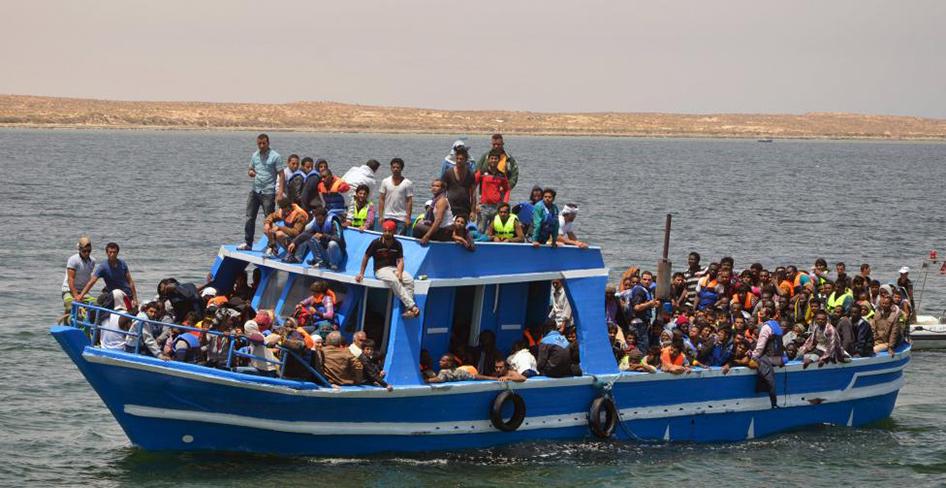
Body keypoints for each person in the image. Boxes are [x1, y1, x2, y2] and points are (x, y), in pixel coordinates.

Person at [356, 220, 420, 318]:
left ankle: (408, 310)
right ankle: (412, 306)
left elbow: (400, 260)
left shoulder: (397, 244)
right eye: (385, 231)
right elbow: (366, 257)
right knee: (394, 280)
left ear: (394, 231)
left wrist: (399, 271)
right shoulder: (375, 243)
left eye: (389, 231)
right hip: (380, 270)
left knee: (409, 280)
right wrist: (361, 273)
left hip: (393, 268)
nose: (387, 233)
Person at [239, 134, 282, 250]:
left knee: (269, 219)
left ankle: (272, 245)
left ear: (268, 143)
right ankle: (248, 243)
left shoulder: (275, 156)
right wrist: (251, 173)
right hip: (255, 190)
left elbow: (281, 174)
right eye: (259, 144)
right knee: (249, 217)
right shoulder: (255, 155)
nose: (261, 146)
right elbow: (250, 169)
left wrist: (280, 192)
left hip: (268, 192)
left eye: (264, 143)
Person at [76, 242, 138, 308]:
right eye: (110, 252)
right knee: (110, 295)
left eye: (114, 252)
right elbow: (92, 282)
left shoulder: (122, 263)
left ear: (117, 253)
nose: (112, 254)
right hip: (115, 296)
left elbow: (130, 282)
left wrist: (135, 299)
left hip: (127, 294)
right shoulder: (103, 267)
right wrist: (81, 296)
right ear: (107, 253)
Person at [751, 314, 786, 408]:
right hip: (779, 358)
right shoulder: (776, 325)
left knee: (767, 375)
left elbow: (760, 348)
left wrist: (753, 357)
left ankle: (773, 401)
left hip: (769, 358)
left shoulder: (765, 328)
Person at [474, 149, 510, 234]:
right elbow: (472, 187)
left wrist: (505, 204)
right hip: (483, 207)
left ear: (499, 161)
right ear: (488, 160)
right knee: (480, 231)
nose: (493, 160)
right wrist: (475, 205)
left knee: (493, 232)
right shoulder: (482, 172)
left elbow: (507, 189)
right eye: (492, 158)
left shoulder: (501, 174)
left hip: (496, 208)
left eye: (495, 159)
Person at [475, 133, 519, 201]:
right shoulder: (485, 157)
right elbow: (476, 173)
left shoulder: (509, 159)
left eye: (498, 144)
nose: (496, 146)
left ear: (503, 144)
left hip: (501, 194)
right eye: (494, 144)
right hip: (485, 195)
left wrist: (508, 186)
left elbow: (514, 175)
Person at [378, 158, 414, 235]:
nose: (395, 169)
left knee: (399, 239)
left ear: (402, 168)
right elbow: (381, 199)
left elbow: (409, 201)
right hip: (388, 216)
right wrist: (381, 216)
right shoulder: (385, 181)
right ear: (391, 168)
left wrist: (408, 217)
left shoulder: (407, 183)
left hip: (401, 217)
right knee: (387, 238)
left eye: (398, 167)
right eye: (393, 167)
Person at [413, 179, 455, 244]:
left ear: (442, 189)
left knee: (417, 227)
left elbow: (438, 220)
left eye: (437, 186)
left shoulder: (442, 201)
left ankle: (421, 245)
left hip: (445, 232)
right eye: (433, 186)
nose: (434, 188)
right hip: (440, 229)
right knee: (420, 222)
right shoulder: (435, 200)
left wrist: (427, 236)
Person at [62, 236, 97, 313]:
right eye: (84, 251)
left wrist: (82, 295)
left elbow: (89, 278)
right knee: (71, 306)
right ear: (80, 249)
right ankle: (67, 319)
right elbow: (70, 280)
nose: (87, 253)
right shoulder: (73, 260)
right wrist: (76, 296)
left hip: (83, 292)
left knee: (96, 305)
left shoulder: (92, 261)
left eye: (89, 251)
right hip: (69, 291)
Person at [442, 146, 476, 220]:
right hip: (450, 208)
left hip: (465, 208)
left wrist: (473, 211)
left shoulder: (470, 174)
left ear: (466, 160)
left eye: (461, 159)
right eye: (457, 159)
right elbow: (442, 192)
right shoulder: (448, 173)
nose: (459, 161)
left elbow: (473, 194)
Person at [426, 354, 491, 383]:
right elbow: (474, 376)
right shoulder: (459, 371)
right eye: (440, 360)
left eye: (443, 361)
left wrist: (426, 380)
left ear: (449, 363)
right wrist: (493, 378)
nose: (440, 362)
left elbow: (439, 379)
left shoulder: (443, 372)